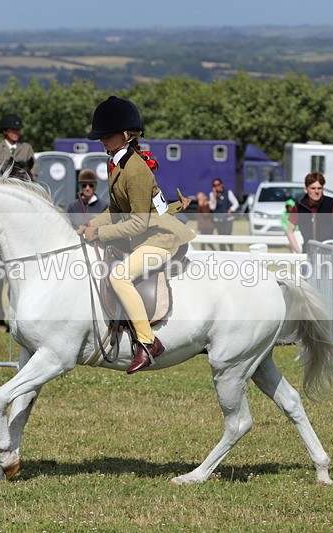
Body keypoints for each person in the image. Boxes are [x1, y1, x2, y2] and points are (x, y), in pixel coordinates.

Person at [78, 95, 195, 374]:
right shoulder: (117, 165)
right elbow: (116, 209)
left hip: (160, 238)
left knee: (119, 277)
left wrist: (101, 233)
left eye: (108, 135)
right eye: (101, 135)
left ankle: (148, 341)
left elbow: (138, 225)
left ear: (127, 135)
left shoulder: (137, 171)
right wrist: (91, 225)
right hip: (144, 236)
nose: (103, 140)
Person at [286, 172, 333, 254]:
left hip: (329, 255)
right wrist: (299, 252)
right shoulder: (298, 207)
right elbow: (289, 231)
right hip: (307, 254)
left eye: (319, 188)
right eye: (313, 188)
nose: (317, 191)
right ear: (306, 189)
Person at [0, 113, 38, 179]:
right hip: (3, 183)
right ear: (5, 131)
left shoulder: (27, 148)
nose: (16, 133)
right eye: (13, 130)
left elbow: (33, 171)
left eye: (18, 130)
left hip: (24, 184)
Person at [208, 178, 239, 251]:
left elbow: (236, 203)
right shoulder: (212, 194)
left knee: (228, 235)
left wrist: (231, 209)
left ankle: (231, 250)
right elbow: (212, 207)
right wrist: (214, 196)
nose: (217, 186)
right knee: (220, 237)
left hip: (227, 219)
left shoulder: (228, 192)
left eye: (218, 184)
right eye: (214, 185)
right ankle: (223, 253)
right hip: (218, 220)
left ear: (221, 184)